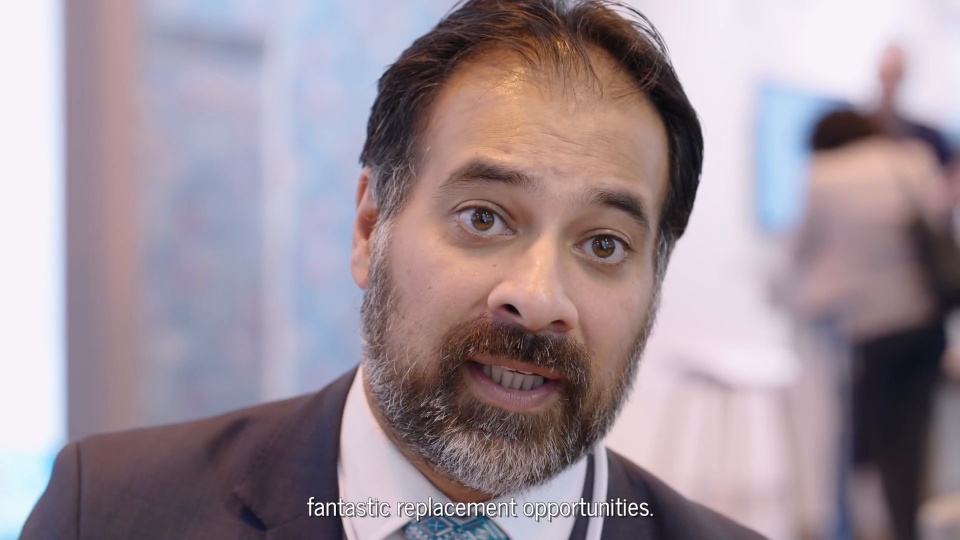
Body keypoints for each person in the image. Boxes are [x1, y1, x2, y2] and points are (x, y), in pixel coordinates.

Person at [22, 1, 762, 538]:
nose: (539, 299)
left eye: (603, 245)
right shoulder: (109, 511)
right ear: (370, 226)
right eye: (484, 217)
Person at [794, 109, 948, 540]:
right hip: (925, 325)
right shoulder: (913, 161)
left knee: (862, 443)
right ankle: (905, 527)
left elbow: (802, 254)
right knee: (912, 443)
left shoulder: (823, 176)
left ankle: (856, 529)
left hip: (870, 331)